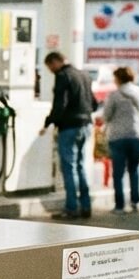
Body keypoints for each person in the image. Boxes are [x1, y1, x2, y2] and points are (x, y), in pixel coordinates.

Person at [40, 51, 95, 219]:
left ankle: (71, 207)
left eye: (50, 66)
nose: (51, 70)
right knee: (80, 166)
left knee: (69, 168)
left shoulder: (63, 76)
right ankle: (86, 206)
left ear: (55, 62)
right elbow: (94, 102)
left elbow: (59, 104)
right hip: (85, 125)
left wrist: (48, 122)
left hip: (69, 127)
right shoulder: (83, 75)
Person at [99, 66, 139, 214]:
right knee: (134, 169)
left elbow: (106, 116)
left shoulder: (114, 95)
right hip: (138, 135)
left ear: (118, 79)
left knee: (118, 172)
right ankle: (135, 201)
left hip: (118, 136)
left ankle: (119, 205)